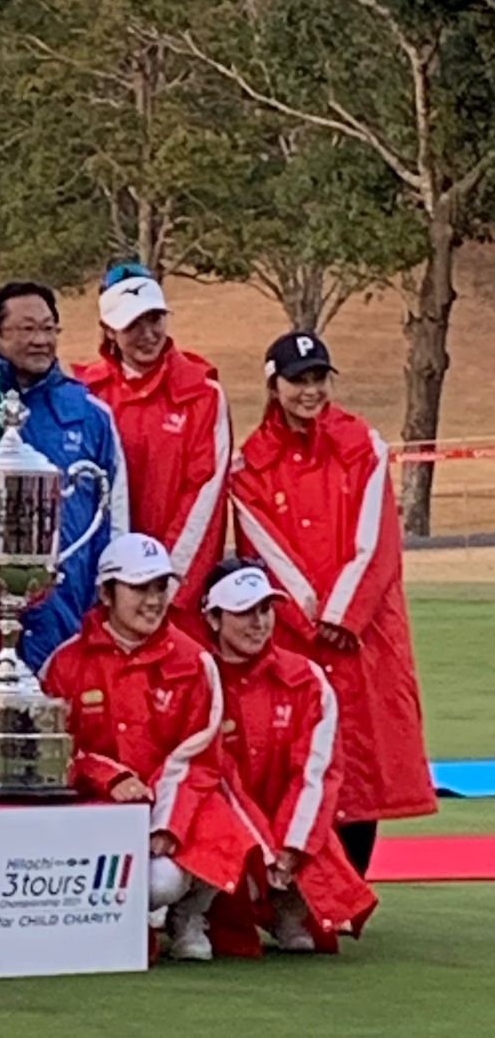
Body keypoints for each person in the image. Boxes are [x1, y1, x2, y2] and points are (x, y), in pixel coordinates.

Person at [231, 331, 436, 878]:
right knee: (298, 755)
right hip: (297, 635)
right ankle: (296, 889)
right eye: (299, 380)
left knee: (360, 760)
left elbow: (378, 537)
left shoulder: (360, 444)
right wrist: (311, 616)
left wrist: (344, 613)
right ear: (274, 386)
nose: (311, 390)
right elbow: (263, 548)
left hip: (361, 634)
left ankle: (350, 889)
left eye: (318, 378)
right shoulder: (250, 463)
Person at [41, 533, 262, 962]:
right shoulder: (65, 663)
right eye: (140, 587)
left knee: (173, 872)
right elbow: (55, 752)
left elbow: (199, 758)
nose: (153, 599)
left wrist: (165, 824)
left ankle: (190, 912)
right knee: (143, 883)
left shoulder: (195, 661)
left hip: (178, 808)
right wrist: (111, 778)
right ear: (106, 592)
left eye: (161, 586)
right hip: (96, 810)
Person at [202, 558, 377, 955]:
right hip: (228, 825)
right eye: (244, 612)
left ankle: (288, 909)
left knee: (317, 857)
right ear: (213, 618)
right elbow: (216, 777)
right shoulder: (200, 677)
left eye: (265, 610)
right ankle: (192, 917)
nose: (259, 622)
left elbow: (317, 773)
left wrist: (292, 847)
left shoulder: (308, 678)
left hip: (289, 824)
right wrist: (264, 849)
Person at [74, 263, 231, 630]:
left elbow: (204, 498)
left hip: (174, 594)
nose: (148, 334)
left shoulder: (201, 393)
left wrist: (162, 587)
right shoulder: (86, 394)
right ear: (109, 331)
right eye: (133, 324)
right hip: (101, 592)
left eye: (155, 319)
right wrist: (111, 587)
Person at [0, 280, 128, 671]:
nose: (41, 340)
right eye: (27, 329)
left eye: (49, 328)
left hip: (68, 604)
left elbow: (114, 518)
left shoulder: (91, 414)